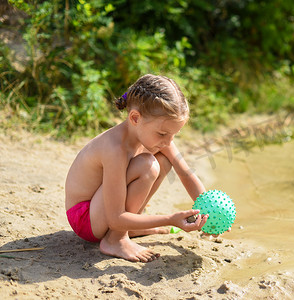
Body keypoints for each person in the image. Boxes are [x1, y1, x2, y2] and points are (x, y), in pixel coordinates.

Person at [65, 74, 209, 262]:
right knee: (148, 165)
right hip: (86, 218)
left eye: (173, 135)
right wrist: (170, 219)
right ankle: (116, 239)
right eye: (163, 133)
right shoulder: (115, 149)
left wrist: (209, 212)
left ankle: (130, 226)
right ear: (135, 118)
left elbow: (186, 173)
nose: (168, 141)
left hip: (106, 211)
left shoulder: (154, 135)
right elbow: (115, 217)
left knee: (164, 160)